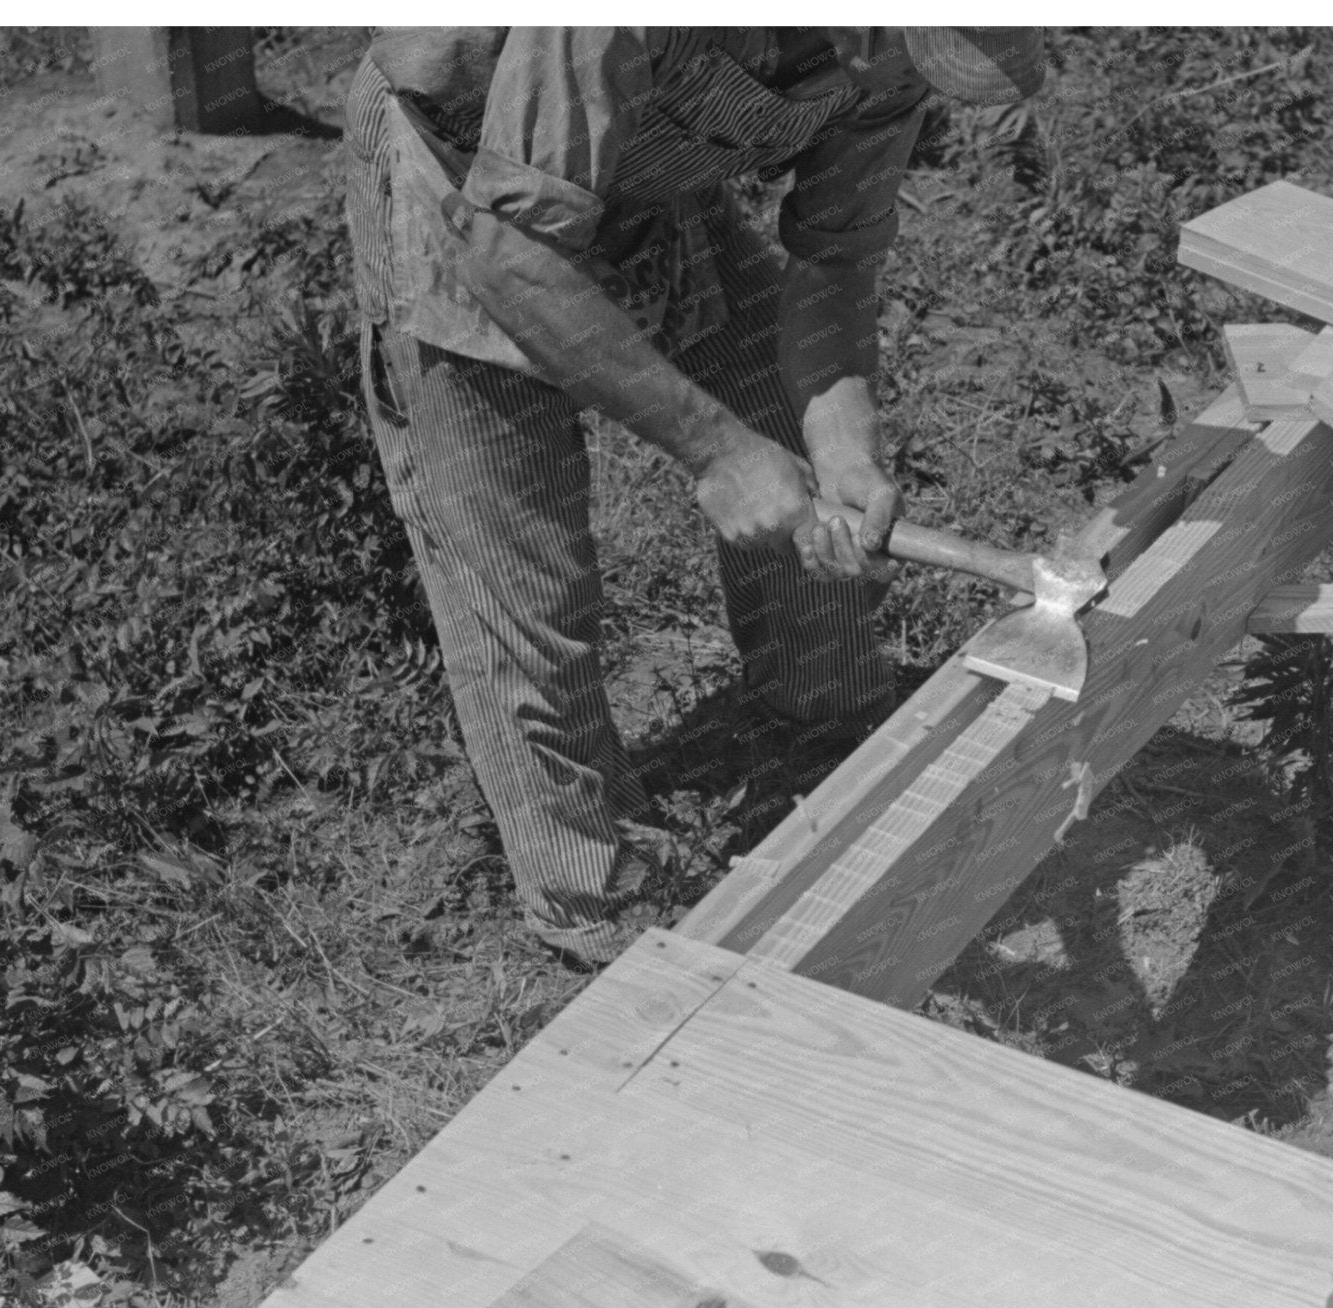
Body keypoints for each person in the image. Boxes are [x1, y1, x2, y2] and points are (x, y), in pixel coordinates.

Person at [344, 27, 1047, 962]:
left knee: (780, 401)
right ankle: (592, 897)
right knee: (518, 560)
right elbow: (509, 247)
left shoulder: (895, 53)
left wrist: (843, 446)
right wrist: (715, 451)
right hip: (470, 184)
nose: (896, 72)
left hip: (642, 164)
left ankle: (827, 717)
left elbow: (835, 259)